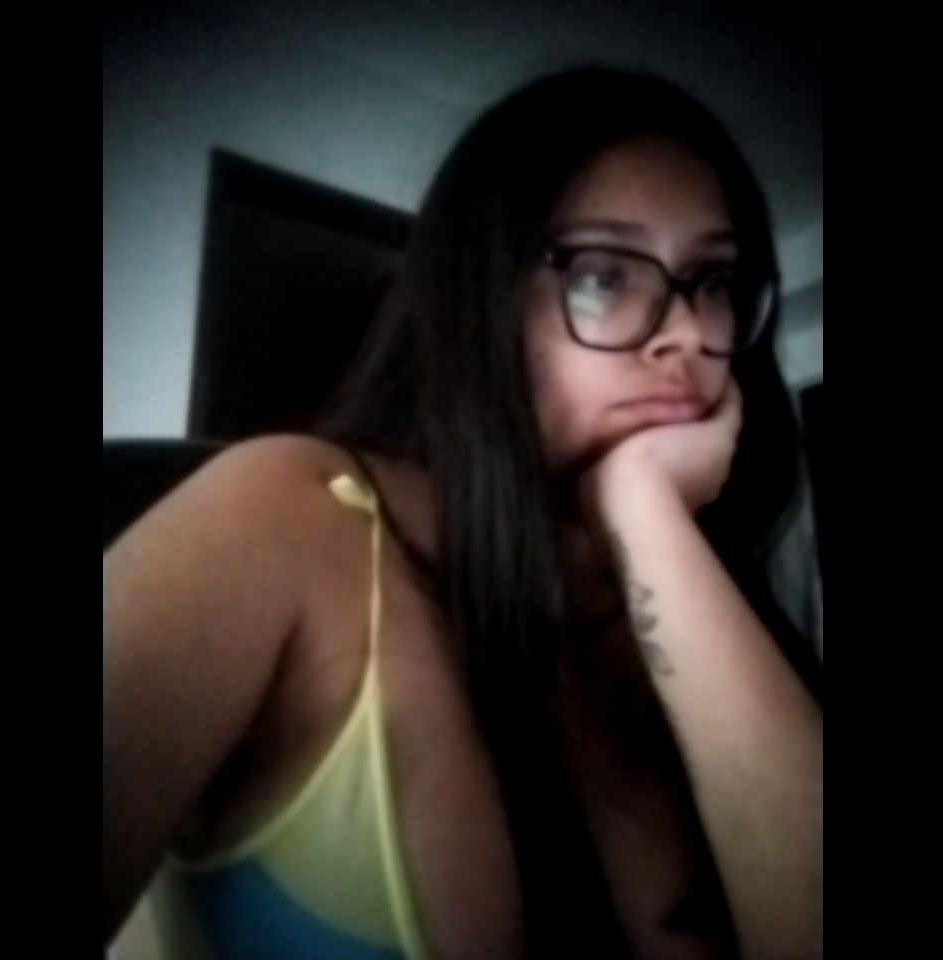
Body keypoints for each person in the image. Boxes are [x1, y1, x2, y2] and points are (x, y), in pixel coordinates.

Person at [103, 65, 823, 960]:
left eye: (713, 280)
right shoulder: (286, 516)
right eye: (603, 276)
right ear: (483, 302)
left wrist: (648, 514)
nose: (684, 334)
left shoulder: (710, 597)